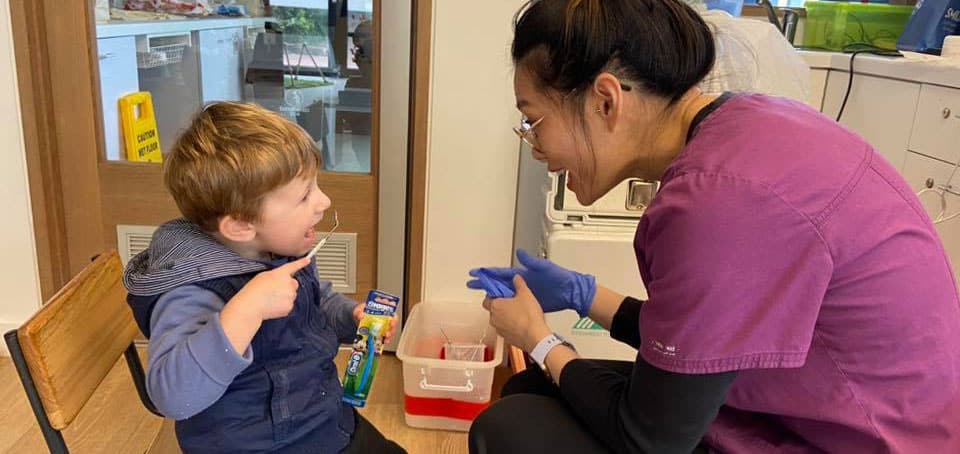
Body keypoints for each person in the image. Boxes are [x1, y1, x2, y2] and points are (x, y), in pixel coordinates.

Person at [466, 0, 960, 453]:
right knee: (534, 389)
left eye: (532, 121)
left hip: (859, 441)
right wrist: (582, 293)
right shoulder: (749, 125)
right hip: (818, 409)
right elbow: (703, 342)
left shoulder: (716, 203)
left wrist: (540, 340)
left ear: (606, 101)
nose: (533, 145)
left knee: (512, 428)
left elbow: (651, 440)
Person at [123, 102, 404, 454]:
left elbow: (319, 302)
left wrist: (351, 317)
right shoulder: (191, 291)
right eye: (304, 196)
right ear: (241, 225)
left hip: (322, 420)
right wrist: (246, 310)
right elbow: (172, 396)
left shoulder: (279, 249)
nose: (324, 201)